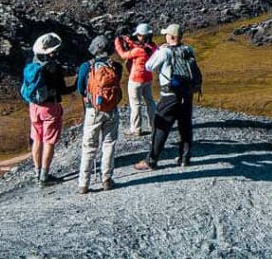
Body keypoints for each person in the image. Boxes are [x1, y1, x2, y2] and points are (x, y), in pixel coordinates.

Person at [134, 23, 201, 171]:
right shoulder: (189, 50)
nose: (164, 36)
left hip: (169, 95)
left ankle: (151, 160)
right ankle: (184, 158)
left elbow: (149, 66)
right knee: (185, 126)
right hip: (187, 94)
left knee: (161, 126)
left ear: (170, 37)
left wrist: (160, 50)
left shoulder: (164, 52)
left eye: (166, 34)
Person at [20, 32, 75, 187]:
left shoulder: (32, 63)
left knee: (37, 139)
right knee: (49, 141)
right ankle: (45, 176)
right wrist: (76, 85)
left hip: (34, 106)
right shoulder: (53, 68)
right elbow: (63, 90)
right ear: (52, 51)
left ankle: (37, 172)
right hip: (50, 107)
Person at [76, 35, 124, 194]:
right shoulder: (116, 66)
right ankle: (107, 179)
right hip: (111, 109)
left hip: (93, 110)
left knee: (89, 146)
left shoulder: (86, 67)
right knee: (109, 143)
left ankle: (84, 183)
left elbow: (80, 88)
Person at [114, 23, 157, 137]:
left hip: (136, 80)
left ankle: (136, 129)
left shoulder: (138, 50)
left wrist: (118, 43)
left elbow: (123, 55)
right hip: (148, 78)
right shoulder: (153, 47)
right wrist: (129, 41)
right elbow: (139, 47)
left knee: (136, 104)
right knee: (150, 102)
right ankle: (154, 126)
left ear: (141, 36)